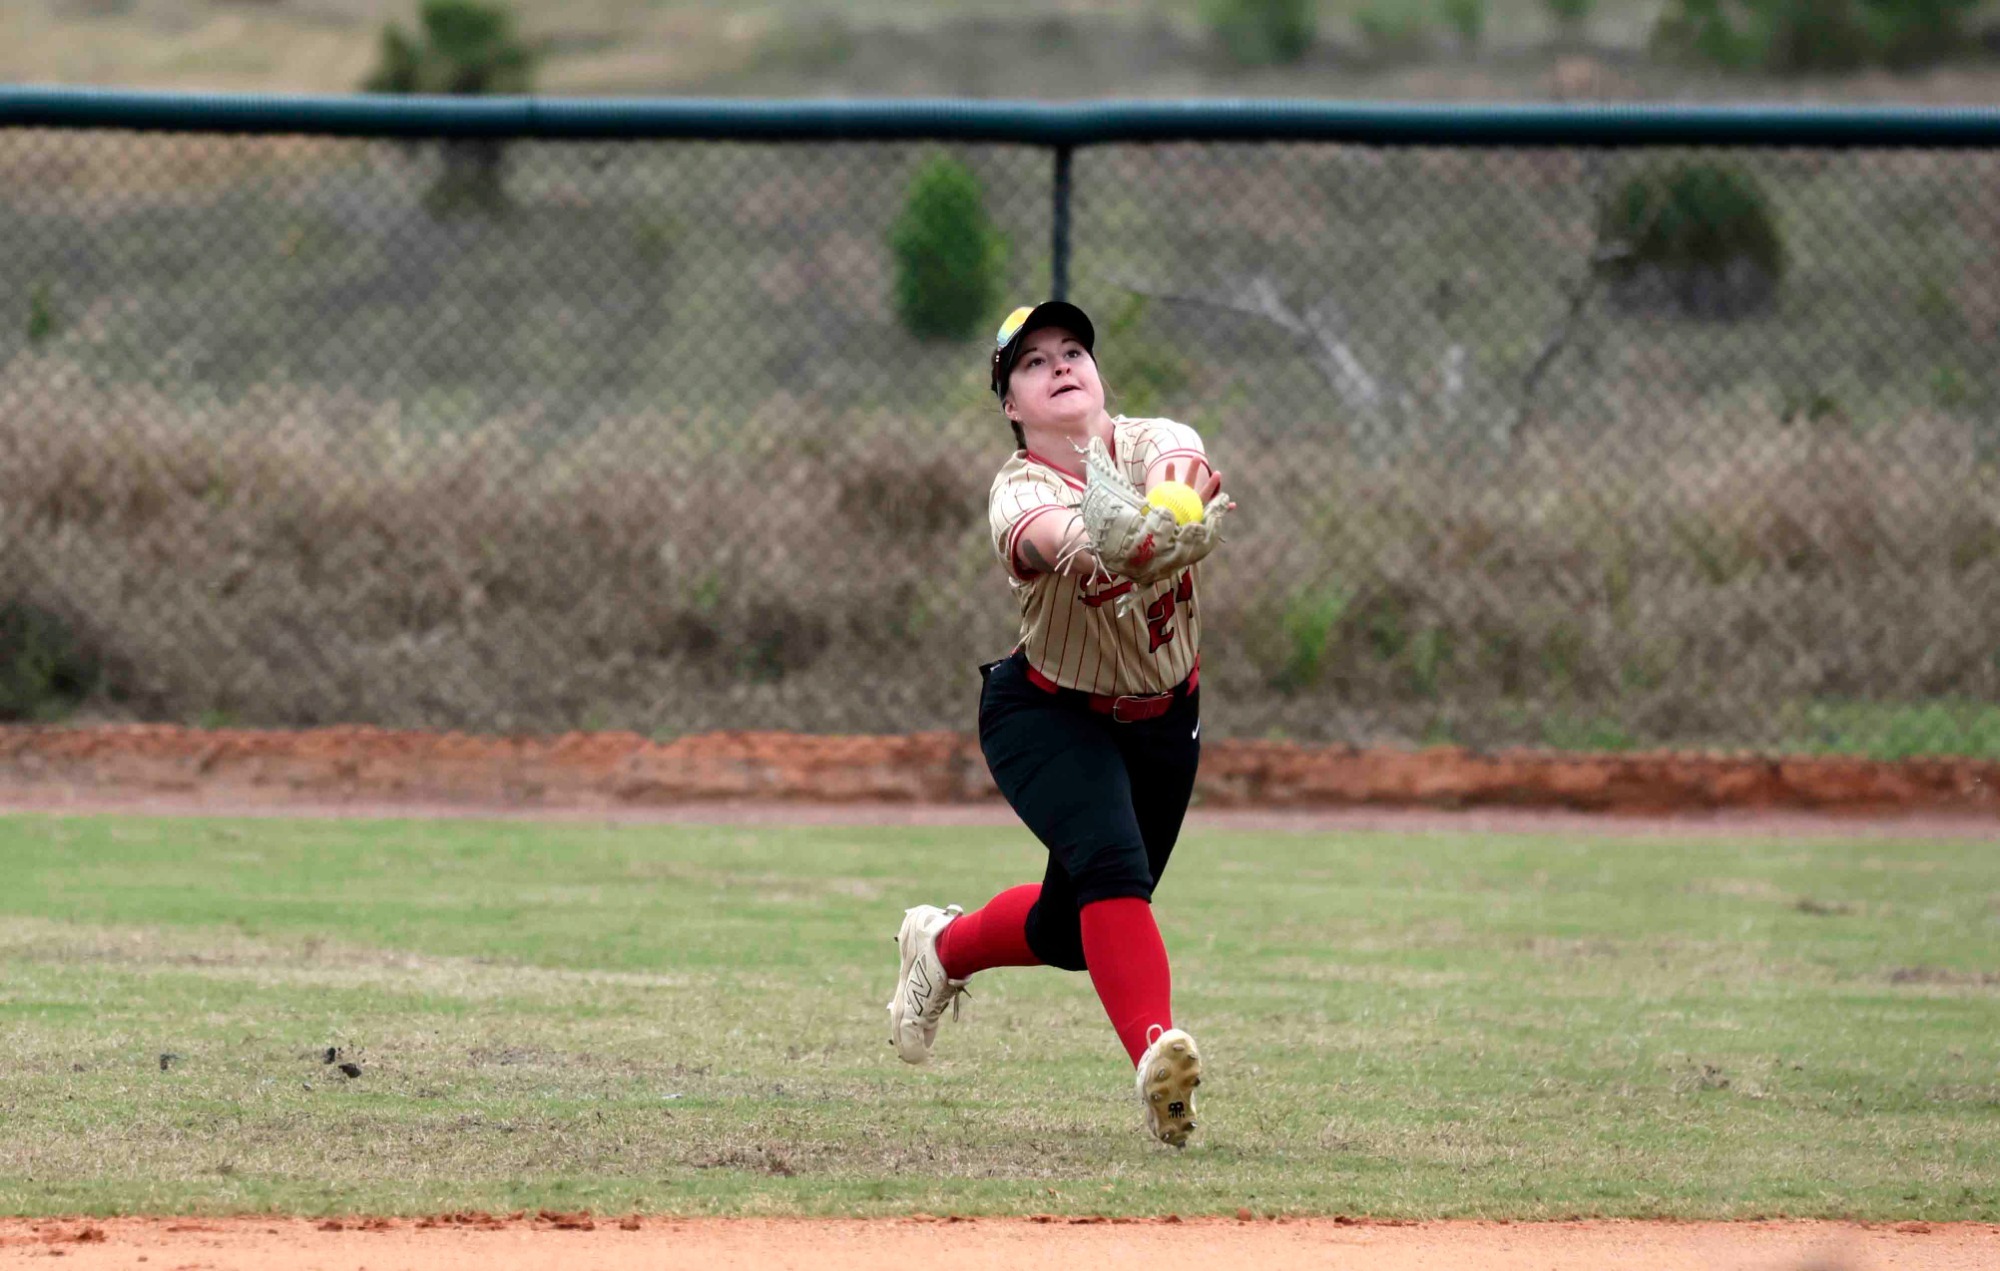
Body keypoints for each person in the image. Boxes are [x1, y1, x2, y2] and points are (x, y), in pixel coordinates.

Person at [886, 300, 1233, 1149]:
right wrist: (1121, 538)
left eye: (1073, 349)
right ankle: (1157, 1057)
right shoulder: (1019, 490)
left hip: (1163, 716)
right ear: (1011, 404)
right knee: (1114, 867)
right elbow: (1045, 537)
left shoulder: (1153, 439)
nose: (1061, 365)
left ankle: (942, 949)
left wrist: (1174, 503)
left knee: (1070, 928)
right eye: (1033, 362)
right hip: (1044, 713)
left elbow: (1184, 467)